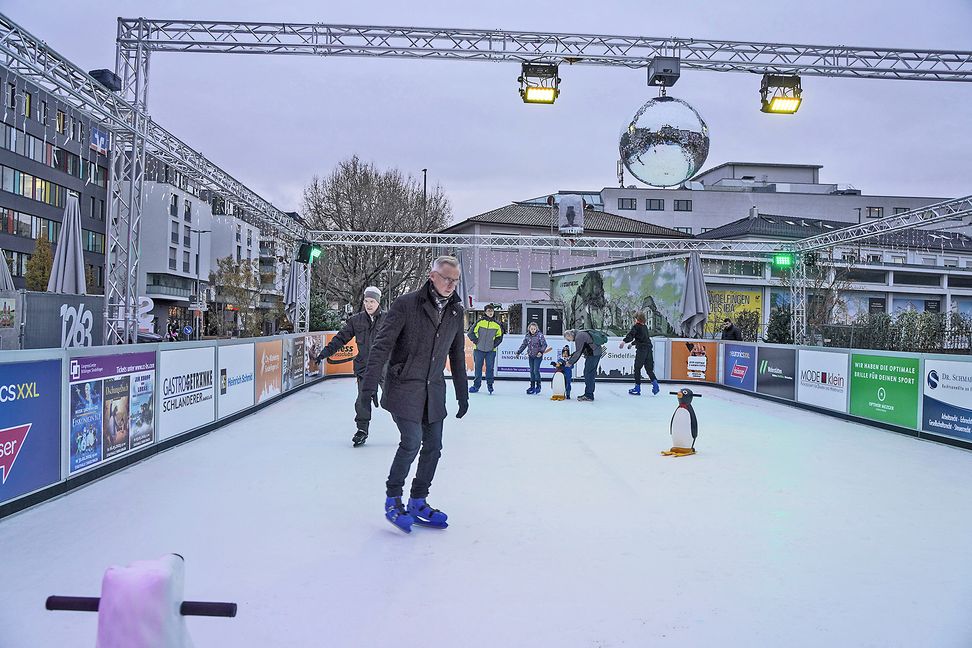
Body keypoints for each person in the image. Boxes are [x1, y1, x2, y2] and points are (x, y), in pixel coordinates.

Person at [360, 256, 469, 533]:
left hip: (433, 390)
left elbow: (456, 354)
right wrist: (368, 387)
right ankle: (393, 499)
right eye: (446, 278)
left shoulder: (456, 311)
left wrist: (462, 392)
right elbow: (381, 347)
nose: (450, 284)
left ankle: (418, 500)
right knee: (412, 441)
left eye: (455, 280)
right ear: (432, 276)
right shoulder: (406, 304)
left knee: (434, 446)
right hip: (403, 386)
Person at [316, 286, 385, 447]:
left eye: (372, 301)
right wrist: (324, 354)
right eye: (366, 301)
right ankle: (362, 430)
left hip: (384, 367)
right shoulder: (356, 320)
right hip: (364, 368)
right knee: (362, 400)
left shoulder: (388, 319)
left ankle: (407, 430)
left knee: (392, 399)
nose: (368, 305)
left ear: (378, 302)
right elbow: (340, 339)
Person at [468, 303, 504, 394]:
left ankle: (490, 385)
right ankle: (476, 386)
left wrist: (493, 345)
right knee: (478, 368)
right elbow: (470, 333)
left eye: (492, 311)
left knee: (490, 369)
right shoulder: (480, 322)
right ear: (485, 312)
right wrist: (476, 341)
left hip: (491, 351)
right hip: (478, 350)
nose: (490, 312)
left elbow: (499, 337)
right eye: (488, 311)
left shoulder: (497, 324)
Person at [621, 312, 659, 396]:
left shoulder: (636, 327)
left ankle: (637, 388)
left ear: (637, 319)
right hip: (649, 350)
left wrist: (624, 341)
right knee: (649, 369)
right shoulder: (645, 327)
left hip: (642, 350)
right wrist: (631, 344)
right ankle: (655, 384)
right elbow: (641, 339)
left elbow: (631, 335)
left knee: (637, 368)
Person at [563, 328, 604, 402]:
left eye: (568, 339)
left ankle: (589, 395)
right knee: (589, 373)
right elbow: (580, 349)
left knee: (588, 374)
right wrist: (571, 357)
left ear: (570, 335)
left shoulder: (579, 336)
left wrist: (570, 362)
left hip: (593, 354)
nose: (569, 341)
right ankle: (588, 393)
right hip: (594, 353)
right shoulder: (579, 334)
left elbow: (578, 352)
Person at [515, 321, 552, 395]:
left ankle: (538, 386)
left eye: (534, 329)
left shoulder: (540, 335)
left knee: (535, 370)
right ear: (529, 329)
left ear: (536, 329)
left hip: (538, 356)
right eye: (531, 329)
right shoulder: (527, 336)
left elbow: (544, 345)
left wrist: (540, 352)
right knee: (531, 370)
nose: (533, 330)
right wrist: (519, 352)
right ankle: (532, 386)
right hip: (531, 355)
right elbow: (524, 344)